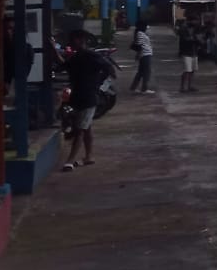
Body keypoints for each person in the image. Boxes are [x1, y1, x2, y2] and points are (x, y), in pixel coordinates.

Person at [62, 29, 116, 171]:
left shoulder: (91, 55)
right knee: (86, 128)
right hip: (79, 97)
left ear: (81, 40)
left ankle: (70, 160)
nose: (71, 43)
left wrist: (97, 84)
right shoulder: (75, 57)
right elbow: (63, 66)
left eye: (73, 39)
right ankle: (89, 157)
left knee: (80, 129)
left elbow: (109, 68)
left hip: (88, 98)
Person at [128, 20, 155, 94]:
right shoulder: (140, 34)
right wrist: (138, 54)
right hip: (145, 54)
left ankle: (133, 87)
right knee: (146, 72)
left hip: (144, 54)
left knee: (140, 72)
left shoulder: (140, 33)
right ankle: (144, 88)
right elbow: (139, 45)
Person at [178, 22, 199, 93]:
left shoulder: (195, 30)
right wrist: (193, 39)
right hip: (186, 53)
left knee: (192, 71)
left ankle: (190, 86)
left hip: (194, 53)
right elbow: (184, 40)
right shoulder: (184, 29)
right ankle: (182, 87)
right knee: (187, 71)